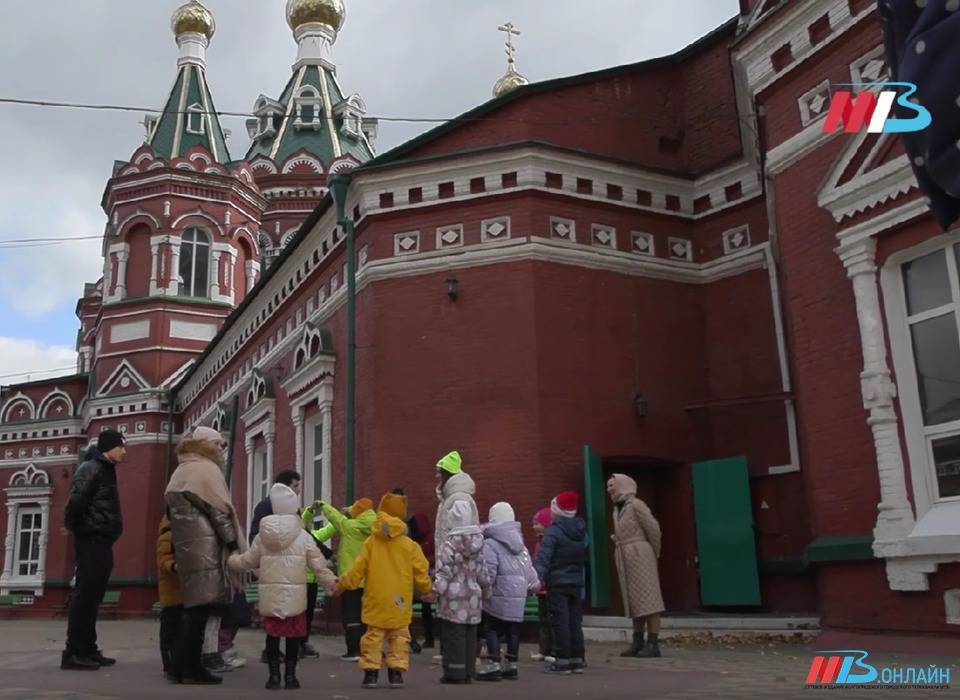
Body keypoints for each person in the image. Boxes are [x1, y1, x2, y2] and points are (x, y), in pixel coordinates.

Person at [229, 482, 338, 690]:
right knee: (293, 638)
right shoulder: (303, 535)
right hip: (295, 598)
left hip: (271, 597)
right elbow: (318, 565)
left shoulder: (262, 536)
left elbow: (248, 561)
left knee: (272, 637)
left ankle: (273, 677)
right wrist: (331, 582)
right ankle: (290, 677)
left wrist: (231, 560)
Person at [164, 427, 245, 685]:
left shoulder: (182, 469)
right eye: (219, 444)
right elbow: (219, 511)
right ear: (206, 444)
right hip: (206, 546)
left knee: (193, 608)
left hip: (187, 545)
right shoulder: (206, 469)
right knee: (201, 610)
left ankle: (180, 667)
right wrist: (233, 543)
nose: (222, 448)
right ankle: (192, 668)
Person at [338, 490, 433, 690]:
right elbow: (421, 570)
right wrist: (426, 589)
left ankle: (371, 673)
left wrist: (342, 585)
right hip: (400, 600)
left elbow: (357, 568)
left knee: (373, 635)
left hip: (375, 598)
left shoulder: (371, 543)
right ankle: (396, 673)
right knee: (399, 636)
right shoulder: (409, 545)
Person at [61, 430, 126, 671]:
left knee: (93, 596)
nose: (124, 451)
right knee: (85, 595)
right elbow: (76, 501)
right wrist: (74, 527)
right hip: (91, 539)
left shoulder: (105, 468)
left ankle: (88, 648)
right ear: (109, 447)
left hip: (102, 539)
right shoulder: (91, 467)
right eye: (121, 446)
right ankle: (73, 652)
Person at [250, 470, 318, 662]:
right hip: (275, 567)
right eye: (296, 485)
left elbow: (303, 533)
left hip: (295, 566)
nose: (299, 489)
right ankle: (271, 650)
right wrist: (257, 563)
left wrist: (324, 553)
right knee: (276, 609)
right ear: (285, 486)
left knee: (302, 607)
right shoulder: (266, 506)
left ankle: (299, 644)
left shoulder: (292, 508)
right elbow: (256, 533)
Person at [301, 497, 376, 661]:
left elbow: (335, 520)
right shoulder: (374, 527)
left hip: (349, 579)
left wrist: (321, 506)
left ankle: (353, 651)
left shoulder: (349, 527)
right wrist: (350, 511)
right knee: (366, 616)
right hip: (369, 580)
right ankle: (368, 650)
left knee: (350, 616)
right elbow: (335, 525)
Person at [477, 502, 540, 682]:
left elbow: (489, 570)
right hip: (517, 597)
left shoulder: (490, 543)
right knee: (513, 630)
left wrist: (484, 587)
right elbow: (529, 570)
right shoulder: (521, 546)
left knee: (492, 629)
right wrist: (534, 585)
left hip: (496, 595)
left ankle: (494, 663)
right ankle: (512, 665)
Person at [607, 474, 665, 658]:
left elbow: (653, 528)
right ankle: (637, 641)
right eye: (608, 486)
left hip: (640, 555)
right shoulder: (617, 508)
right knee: (634, 600)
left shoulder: (636, 505)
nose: (609, 489)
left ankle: (653, 643)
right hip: (625, 557)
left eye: (612, 485)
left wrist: (652, 552)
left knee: (650, 599)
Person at [434, 499, 491, 684]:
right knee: (470, 635)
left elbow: (444, 573)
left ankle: (454, 672)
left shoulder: (449, 546)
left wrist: (435, 592)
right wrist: (487, 590)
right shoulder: (479, 546)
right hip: (474, 596)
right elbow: (483, 573)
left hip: (453, 598)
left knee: (454, 635)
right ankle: (468, 671)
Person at [535, 491, 588, 676]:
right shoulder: (581, 531)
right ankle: (578, 659)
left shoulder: (553, 531)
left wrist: (536, 579)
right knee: (575, 621)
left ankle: (562, 661)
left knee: (560, 621)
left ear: (557, 510)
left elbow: (544, 557)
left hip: (557, 582)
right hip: (576, 581)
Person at [433, 450, 479, 568]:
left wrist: (448, 569)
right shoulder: (451, 499)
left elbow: (463, 540)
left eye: (440, 472)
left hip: (456, 572)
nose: (437, 476)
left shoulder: (459, 500)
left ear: (447, 474)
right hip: (452, 571)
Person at [156, 515, 182, 676]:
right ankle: (169, 665)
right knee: (170, 632)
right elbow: (164, 560)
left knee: (178, 631)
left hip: (181, 592)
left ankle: (176, 663)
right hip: (171, 594)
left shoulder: (178, 533)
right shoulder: (167, 535)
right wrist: (175, 566)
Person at [406, 511, 435, 652]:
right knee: (424, 609)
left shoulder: (413, 542)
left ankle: (416, 640)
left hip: (417, 581)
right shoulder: (419, 541)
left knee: (410, 609)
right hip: (423, 581)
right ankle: (422, 640)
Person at [530, 507, 554, 663]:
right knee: (543, 620)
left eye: (537, 523)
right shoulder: (539, 542)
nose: (534, 526)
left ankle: (553, 650)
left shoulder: (549, 541)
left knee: (552, 620)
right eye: (533, 523)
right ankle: (544, 650)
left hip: (550, 586)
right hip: (541, 587)